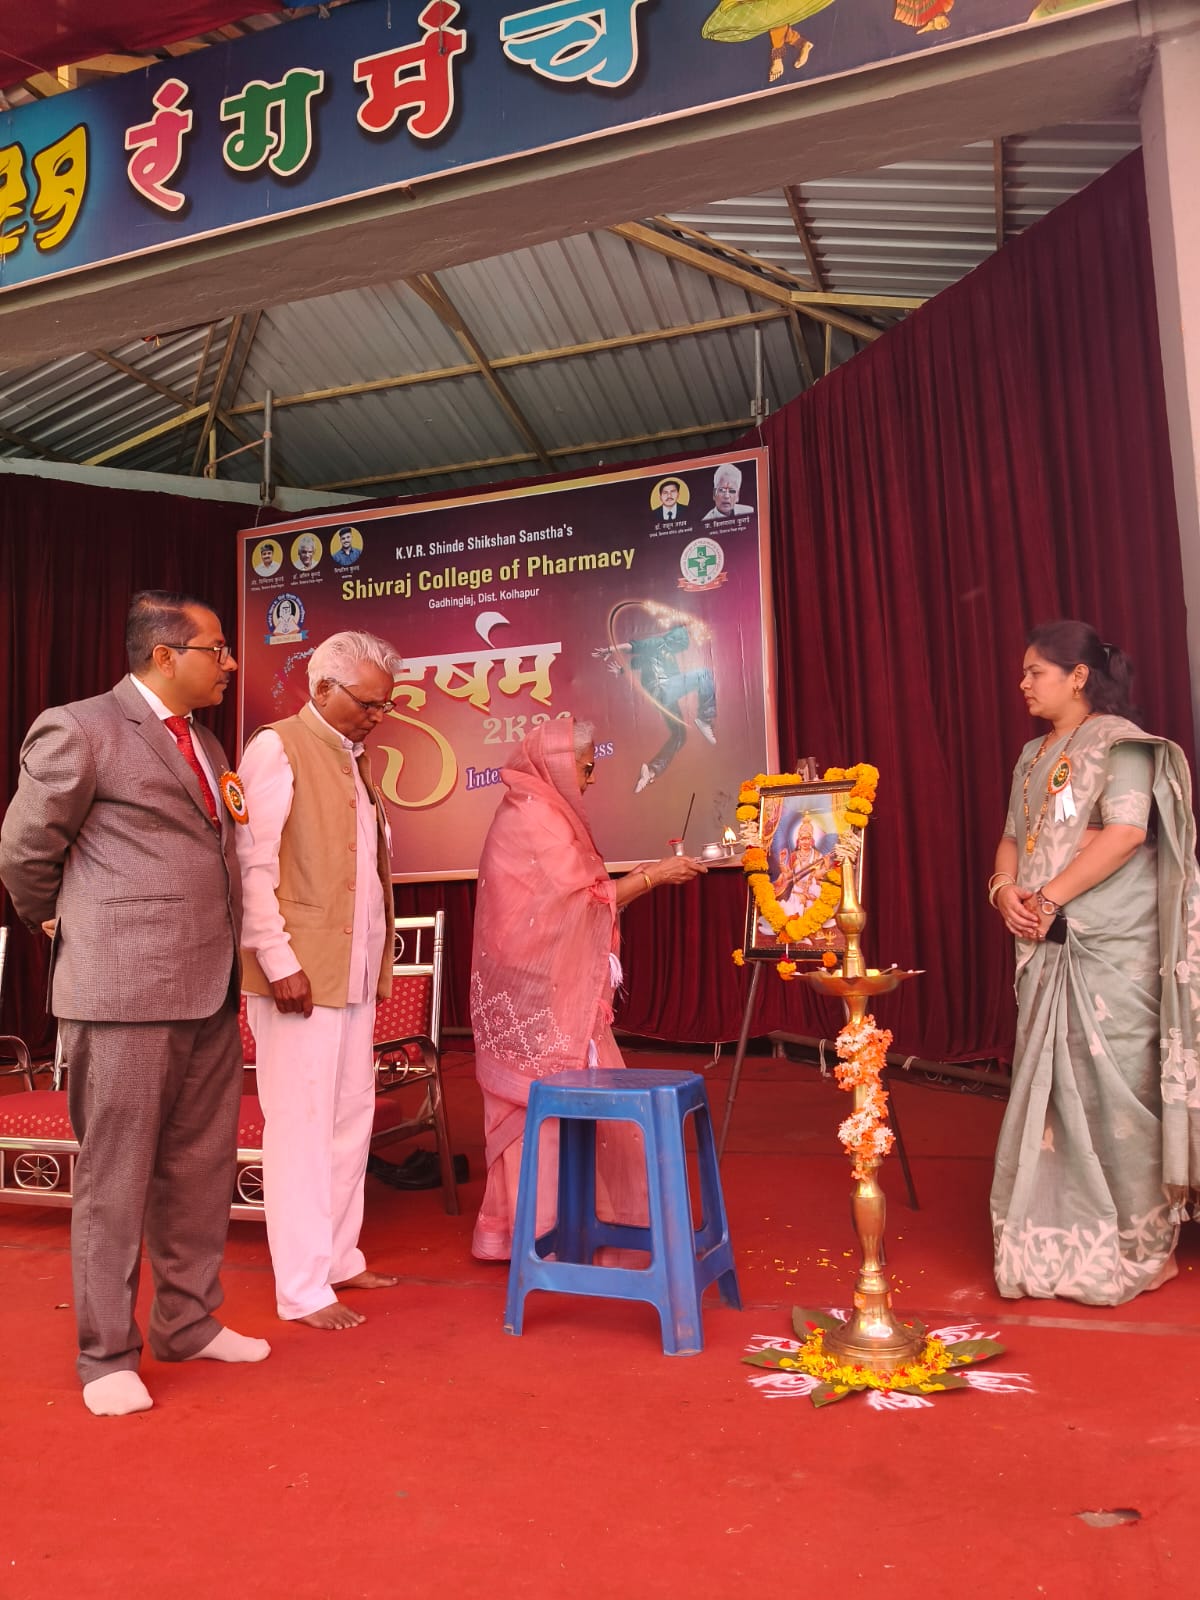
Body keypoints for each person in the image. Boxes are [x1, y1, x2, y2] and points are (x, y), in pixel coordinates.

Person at [0, 591, 269, 1416]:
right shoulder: (80, 728)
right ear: (164, 655)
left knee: (199, 1168)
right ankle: (105, 1354)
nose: (230, 663)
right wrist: (58, 919)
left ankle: (188, 1322)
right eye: (216, 649)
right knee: (115, 1179)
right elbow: (24, 851)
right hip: (121, 990)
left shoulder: (205, 740)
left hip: (208, 986)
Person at [989, 620, 1200, 1306]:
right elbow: (1013, 837)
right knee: (1054, 1089)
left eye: (1035, 671)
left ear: (1078, 675)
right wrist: (1004, 891)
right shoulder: (1031, 755)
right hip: (1044, 940)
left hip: (1109, 946)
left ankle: (1138, 1243)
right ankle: (1054, 1235)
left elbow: (1127, 833)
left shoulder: (1122, 744)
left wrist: (1048, 898)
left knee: (1117, 1091)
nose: (1023, 683)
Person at [469, 718, 706, 1261]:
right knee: (544, 1108)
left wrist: (642, 877)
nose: (591, 778)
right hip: (535, 992)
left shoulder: (532, 807)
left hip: (541, 985)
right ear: (557, 764)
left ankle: (550, 1229)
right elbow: (582, 903)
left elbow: (585, 894)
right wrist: (655, 876)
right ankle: (546, 1236)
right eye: (586, 767)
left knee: (548, 1105)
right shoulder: (538, 815)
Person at [237, 630, 402, 1331]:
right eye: (366, 704)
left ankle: (338, 1258)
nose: (376, 717)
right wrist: (278, 962)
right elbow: (252, 866)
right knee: (301, 1129)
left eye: (385, 706)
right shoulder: (277, 747)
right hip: (298, 975)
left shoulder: (355, 759)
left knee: (348, 1121)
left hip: (352, 973)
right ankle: (302, 1289)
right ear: (323, 687)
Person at [594, 623, 718, 793]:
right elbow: (633, 646)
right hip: (662, 688)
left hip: (663, 699)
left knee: (680, 736)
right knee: (703, 674)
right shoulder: (658, 643)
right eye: (683, 639)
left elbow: (635, 663)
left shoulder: (665, 654)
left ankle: (650, 772)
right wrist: (611, 649)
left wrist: (621, 670)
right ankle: (705, 718)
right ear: (676, 636)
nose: (683, 645)